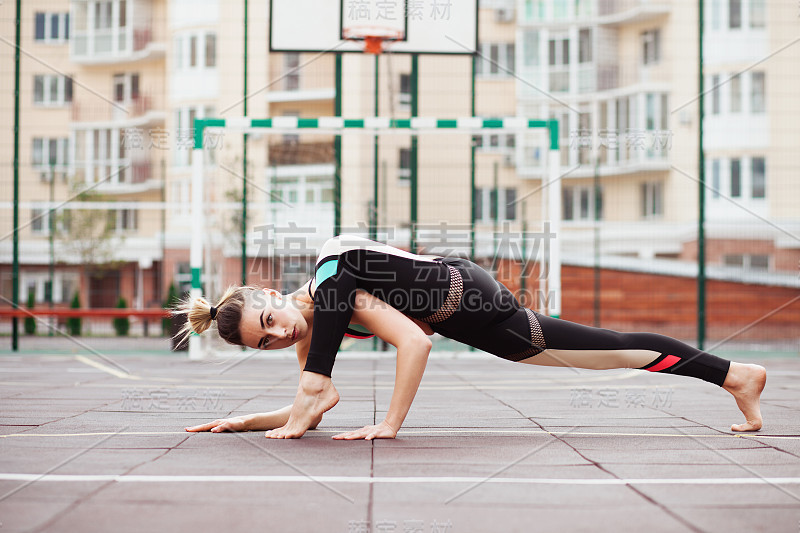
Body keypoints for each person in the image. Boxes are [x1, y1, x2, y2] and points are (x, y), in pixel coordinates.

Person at [179, 235, 767, 440]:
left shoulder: (333, 285)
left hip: (464, 292)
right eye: (268, 342)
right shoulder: (326, 319)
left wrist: (390, 423)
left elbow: (416, 344)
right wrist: (245, 421)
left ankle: (733, 375)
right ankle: (736, 376)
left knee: (337, 272)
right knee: (606, 351)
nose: (281, 333)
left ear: (270, 294)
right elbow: (317, 403)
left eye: (270, 320)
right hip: (472, 320)